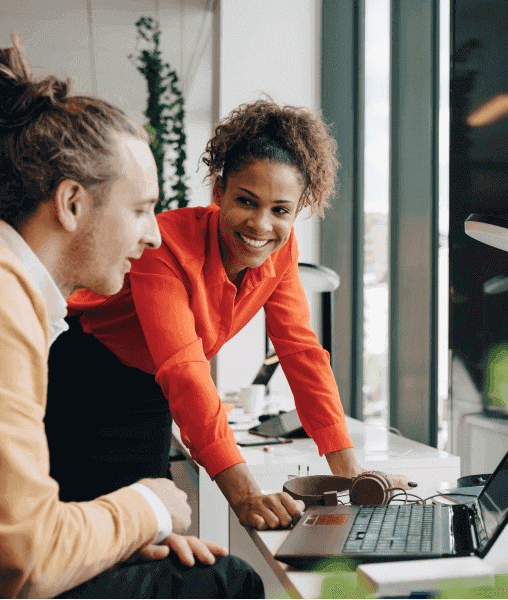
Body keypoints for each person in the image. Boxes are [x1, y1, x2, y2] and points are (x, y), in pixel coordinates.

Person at [0, 40, 263, 599]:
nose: (153, 234)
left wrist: (115, 538)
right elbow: (26, 563)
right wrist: (149, 505)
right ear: (72, 204)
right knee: (226, 583)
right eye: (142, 209)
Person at [46, 98, 414, 531]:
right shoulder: (164, 244)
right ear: (219, 191)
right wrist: (245, 493)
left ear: (298, 211)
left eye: (281, 210)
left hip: (150, 387)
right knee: (86, 528)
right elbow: (184, 368)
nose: (261, 225)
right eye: (246, 201)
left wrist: (351, 472)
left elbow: (300, 352)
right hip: (83, 371)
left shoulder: (282, 251)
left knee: (149, 529)